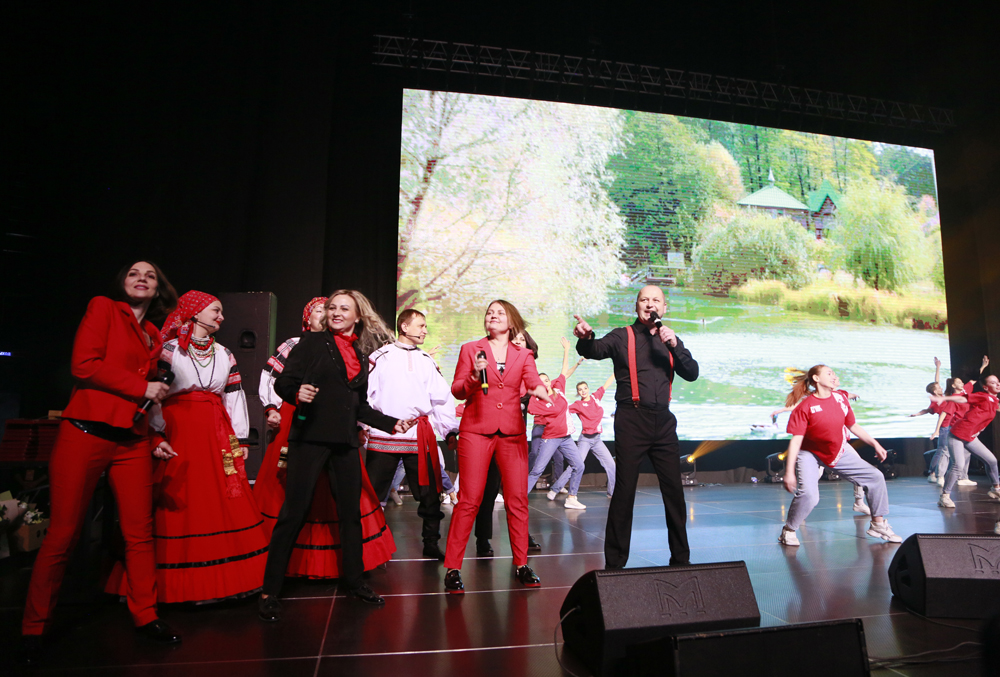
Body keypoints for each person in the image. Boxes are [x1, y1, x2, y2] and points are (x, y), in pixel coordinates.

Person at [21, 262, 181, 660]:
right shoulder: (103, 308)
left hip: (130, 441)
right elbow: (84, 365)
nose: (141, 278)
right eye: (133, 273)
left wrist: (155, 436)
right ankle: (34, 627)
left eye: (150, 275)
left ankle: (146, 615)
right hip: (85, 432)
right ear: (122, 283)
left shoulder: (153, 334)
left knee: (139, 533)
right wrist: (142, 386)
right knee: (62, 534)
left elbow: (149, 396)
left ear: (158, 289)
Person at [105, 291, 269, 603]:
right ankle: (164, 581)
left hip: (215, 432)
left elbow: (233, 396)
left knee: (219, 495)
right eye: (215, 311)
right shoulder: (169, 351)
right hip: (179, 429)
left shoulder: (224, 354)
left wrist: (240, 438)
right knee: (181, 494)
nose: (221, 317)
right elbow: (156, 395)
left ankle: (226, 578)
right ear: (194, 312)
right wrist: (157, 434)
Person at [258, 290, 412, 622]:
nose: (336, 312)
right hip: (310, 440)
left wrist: (391, 423)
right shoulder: (311, 343)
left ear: (357, 316)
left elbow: (360, 407)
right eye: (332, 308)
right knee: (293, 513)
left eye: (344, 308)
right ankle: (270, 590)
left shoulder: (359, 354)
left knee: (350, 515)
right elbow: (283, 383)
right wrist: (296, 392)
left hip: (344, 443)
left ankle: (354, 582)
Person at [573, 285, 699, 568]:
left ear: (663, 308)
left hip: (664, 422)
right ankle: (615, 564)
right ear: (637, 306)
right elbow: (595, 349)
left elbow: (692, 373)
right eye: (644, 300)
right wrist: (587, 337)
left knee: (674, 493)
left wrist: (675, 345)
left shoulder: (671, 339)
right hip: (632, 419)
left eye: (656, 300)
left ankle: (681, 560)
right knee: (624, 491)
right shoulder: (622, 336)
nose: (650, 304)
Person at [443, 300, 550, 594]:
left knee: (517, 500)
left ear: (511, 321)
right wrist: (474, 377)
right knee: (469, 500)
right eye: (489, 312)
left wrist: (538, 389)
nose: (493, 315)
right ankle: (453, 568)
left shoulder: (523, 354)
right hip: (476, 430)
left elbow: (530, 380)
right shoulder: (471, 349)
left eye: (500, 312)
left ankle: (521, 564)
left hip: (512, 433)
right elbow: (457, 390)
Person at [365, 309, 460, 561]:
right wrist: (363, 426)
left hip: (418, 436)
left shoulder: (426, 360)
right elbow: (367, 395)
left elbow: (440, 399)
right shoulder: (381, 357)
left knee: (430, 494)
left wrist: (449, 430)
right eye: (421, 325)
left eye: (426, 326)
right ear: (404, 327)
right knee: (373, 494)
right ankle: (370, 546)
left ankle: (431, 543)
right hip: (384, 434)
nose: (425, 330)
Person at [779, 365, 901, 545]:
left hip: (836, 450)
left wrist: (875, 444)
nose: (834, 376)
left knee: (875, 477)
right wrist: (789, 473)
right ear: (816, 379)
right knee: (809, 495)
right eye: (829, 373)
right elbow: (796, 441)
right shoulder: (805, 407)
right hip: (810, 453)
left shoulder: (840, 398)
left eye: (834, 373)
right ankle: (789, 530)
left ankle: (878, 524)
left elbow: (852, 425)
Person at [473, 329, 543, 556]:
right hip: (491, 436)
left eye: (522, 340)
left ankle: (523, 536)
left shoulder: (529, 371)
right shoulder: (496, 369)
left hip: (515, 438)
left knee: (518, 493)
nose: (518, 343)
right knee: (489, 489)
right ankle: (482, 538)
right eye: (515, 340)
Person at [526, 339, 587, 509]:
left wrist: (566, 349)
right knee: (537, 470)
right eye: (540, 381)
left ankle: (572, 497)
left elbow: (563, 371)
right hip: (551, 438)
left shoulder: (559, 388)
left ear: (549, 382)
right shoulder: (537, 400)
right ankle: (519, 498)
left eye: (546, 380)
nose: (544, 382)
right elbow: (530, 408)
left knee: (579, 465)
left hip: (566, 438)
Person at [933, 373, 1000, 508]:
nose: (998, 384)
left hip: (970, 437)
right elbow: (963, 399)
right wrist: (945, 398)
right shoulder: (983, 396)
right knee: (958, 465)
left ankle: (996, 489)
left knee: (992, 461)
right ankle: (944, 496)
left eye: (998, 382)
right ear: (986, 387)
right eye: (993, 383)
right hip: (957, 434)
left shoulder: (994, 401)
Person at [568, 374, 617, 497]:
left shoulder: (595, 397)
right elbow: (563, 410)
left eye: (585, 388)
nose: (583, 391)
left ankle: (612, 493)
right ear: (578, 392)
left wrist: (615, 372)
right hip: (585, 439)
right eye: (580, 390)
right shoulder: (578, 404)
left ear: (588, 389)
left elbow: (606, 384)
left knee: (611, 464)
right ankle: (556, 488)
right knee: (576, 465)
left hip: (597, 439)